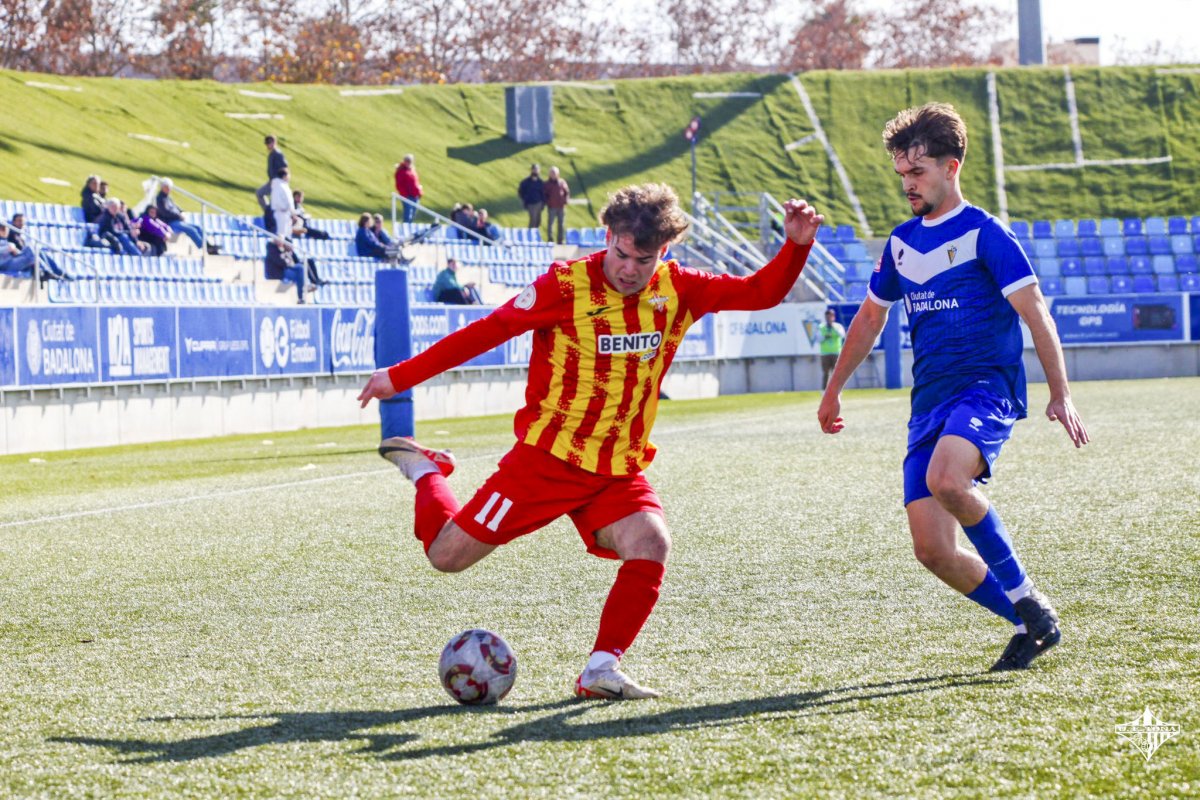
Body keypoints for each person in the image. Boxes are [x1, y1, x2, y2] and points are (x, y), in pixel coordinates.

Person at [357, 183, 823, 699]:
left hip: (616, 466)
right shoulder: (563, 286)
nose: (628, 268)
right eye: (621, 253)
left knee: (651, 543)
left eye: (642, 260)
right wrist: (399, 377)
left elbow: (759, 293)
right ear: (608, 236)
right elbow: (486, 332)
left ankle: (601, 668)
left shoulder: (679, 289)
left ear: (662, 252)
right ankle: (426, 472)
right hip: (545, 461)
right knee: (446, 556)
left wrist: (795, 246)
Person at [817, 103, 1088, 672]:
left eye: (918, 173)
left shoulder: (987, 234)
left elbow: (1037, 315)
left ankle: (1026, 596)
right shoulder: (900, 243)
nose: (908, 185)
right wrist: (833, 389)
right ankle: (1028, 622)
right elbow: (870, 319)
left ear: (952, 166)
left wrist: (1060, 393)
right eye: (902, 175)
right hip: (929, 405)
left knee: (947, 479)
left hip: (985, 389)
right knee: (932, 550)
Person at [0, 220, 68, 281]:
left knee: (35, 250)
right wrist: (7, 248)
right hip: (5, 265)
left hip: (12, 261)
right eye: (3, 229)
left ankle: (53, 271)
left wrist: (14, 250)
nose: (6, 231)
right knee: (31, 252)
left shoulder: (6, 240)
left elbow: (16, 253)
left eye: (7, 228)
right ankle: (46, 271)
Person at [155, 179, 205, 249]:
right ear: (162, 187)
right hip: (171, 222)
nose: (169, 189)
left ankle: (208, 245)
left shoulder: (168, 198)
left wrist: (182, 212)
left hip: (177, 221)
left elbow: (176, 207)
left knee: (198, 227)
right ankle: (203, 247)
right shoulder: (160, 199)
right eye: (167, 187)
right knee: (191, 230)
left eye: (169, 187)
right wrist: (179, 215)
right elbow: (165, 212)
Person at [256, 135, 289, 233]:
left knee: (260, 194)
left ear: (275, 142)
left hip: (276, 182)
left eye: (270, 142)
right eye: (267, 143)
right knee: (261, 194)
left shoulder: (278, 154)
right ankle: (268, 212)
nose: (269, 145)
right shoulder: (272, 154)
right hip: (272, 181)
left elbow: (284, 168)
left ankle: (269, 213)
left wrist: (281, 180)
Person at [817, 307, 845, 389]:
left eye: (830, 316)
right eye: (827, 317)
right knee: (826, 373)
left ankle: (837, 390)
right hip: (825, 353)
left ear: (834, 317)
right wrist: (825, 336)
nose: (829, 318)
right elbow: (818, 339)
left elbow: (842, 335)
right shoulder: (821, 327)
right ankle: (824, 391)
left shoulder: (838, 326)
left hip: (836, 353)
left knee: (836, 374)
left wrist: (832, 327)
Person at [544, 166, 570, 244]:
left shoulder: (562, 182)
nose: (553, 174)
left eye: (554, 173)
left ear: (558, 174)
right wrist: (548, 202)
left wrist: (565, 200)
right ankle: (550, 239)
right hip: (552, 207)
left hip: (561, 207)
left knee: (561, 224)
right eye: (552, 173)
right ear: (549, 174)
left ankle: (560, 240)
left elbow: (567, 192)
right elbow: (544, 195)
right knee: (550, 224)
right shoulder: (547, 184)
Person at [394, 154, 423, 223]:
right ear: (404, 161)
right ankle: (405, 230)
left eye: (410, 161)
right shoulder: (401, 171)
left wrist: (419, 191)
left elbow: (415, 182)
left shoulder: (412, 170)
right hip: (407, 196)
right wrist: (405, 195)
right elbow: (399, 185)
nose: (409, 162)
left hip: (415, 196)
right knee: (407, 215)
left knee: (412, 215)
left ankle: (409, 230)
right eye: (407, 161)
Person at [270, 168, 295, 243]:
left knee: (286, 233)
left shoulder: (284, 185)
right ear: (284, 176)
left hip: (286, 213)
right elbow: (278, 199)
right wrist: (284, 208)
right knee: (281, 233)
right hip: (281, 212)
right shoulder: (278, 186)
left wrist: (292, 212)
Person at [518, 164, 545, 230]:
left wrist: (543, 203)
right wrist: (525, 199)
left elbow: (543, 193)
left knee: (538, 221)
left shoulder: (541, 182)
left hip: (539, 203)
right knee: (533, 220)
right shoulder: (526, 182)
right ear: (532, 170)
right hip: (531, 204)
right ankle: (530, 234)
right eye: (534, 169)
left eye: (537, 169)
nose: (536, 171)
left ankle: (535, 235)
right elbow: (521, 192)